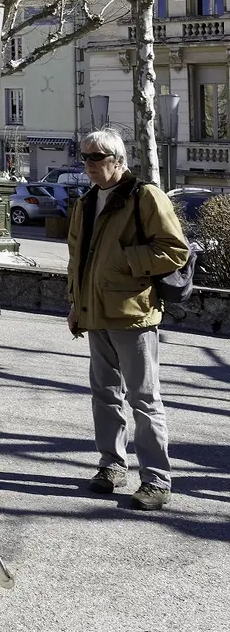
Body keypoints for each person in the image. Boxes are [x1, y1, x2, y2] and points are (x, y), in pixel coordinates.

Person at [66, 127, 188, 511]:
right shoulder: (85, 201)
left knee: (143, 398)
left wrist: (125, 262)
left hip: (134, 313)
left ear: (118, 159)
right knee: (104, 395)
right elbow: (77, 261)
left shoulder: (144, 195)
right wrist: (75, 304)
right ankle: (112, 465)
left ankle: (155, 480)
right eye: (84, 156)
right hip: (95, 312)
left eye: (97, 157)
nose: (88, 164)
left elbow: (174, 250)